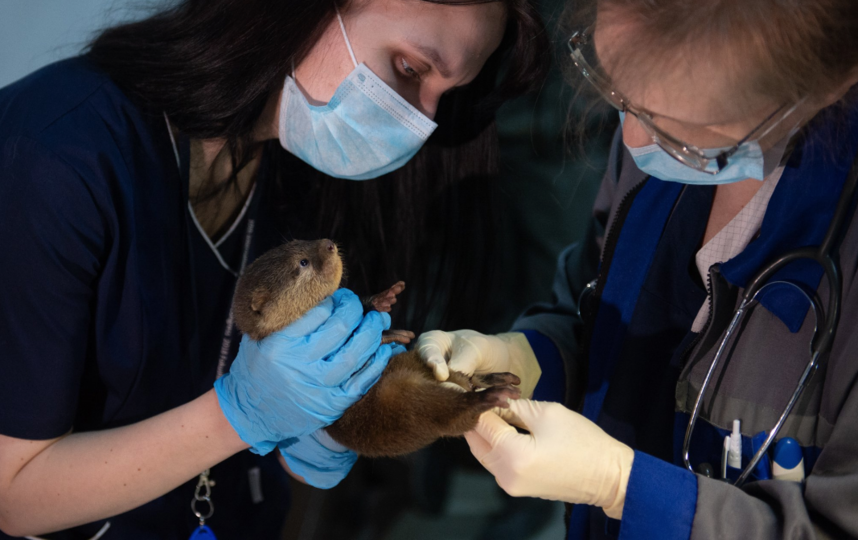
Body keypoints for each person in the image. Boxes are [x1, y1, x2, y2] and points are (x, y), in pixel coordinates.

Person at [0, 0, 549, 538]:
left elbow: (292, 460)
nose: (420, 123)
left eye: (444, 100)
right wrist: (237, 416)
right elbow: (13, 496)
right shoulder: (52, 159)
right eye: (408, 69)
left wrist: (343, 413)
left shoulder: (300, 166)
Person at [417, 0, 858, 538]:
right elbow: (592, 308)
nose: (631, 142)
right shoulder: (655, 146)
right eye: (621, 97)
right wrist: (531, 359)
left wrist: (626, 489)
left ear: (826, 86)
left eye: (680, 130)